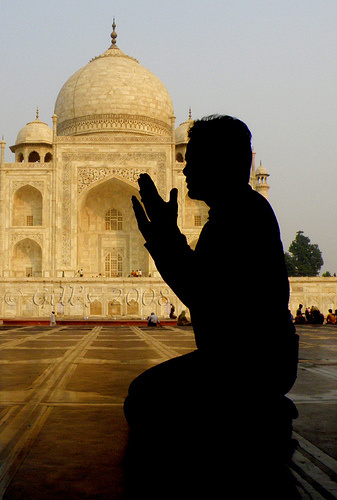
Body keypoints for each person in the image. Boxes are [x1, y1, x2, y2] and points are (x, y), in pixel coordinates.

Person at [124, 115, 299, 497]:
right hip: (249, 358)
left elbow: (204, 294)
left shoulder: (241, 216)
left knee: (146, 401)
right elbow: (205, 289)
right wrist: (166, 240)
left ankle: (260, 428)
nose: (184, 168)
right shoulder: (233, 212)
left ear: (223, 162)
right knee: (148, 398)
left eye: (193, 158)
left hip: (251, 363)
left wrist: (166, 240)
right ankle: (262, 426)